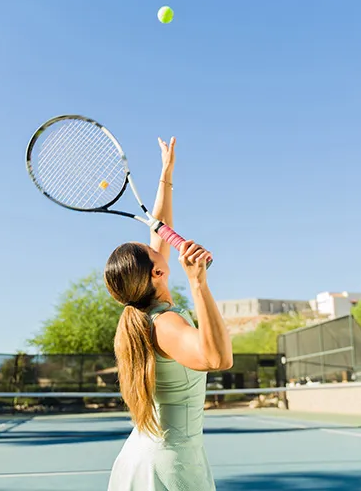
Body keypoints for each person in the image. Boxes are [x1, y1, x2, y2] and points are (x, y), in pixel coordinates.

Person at [104, 136, 233, 491]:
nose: (155, 240)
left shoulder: (142, 313)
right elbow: (217, 358)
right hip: (167, 468)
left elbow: (158, 222)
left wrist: (166, 173)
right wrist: (198, 283)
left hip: (147, 458)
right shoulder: (165, 324)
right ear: (157, 274)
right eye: (151, 248)